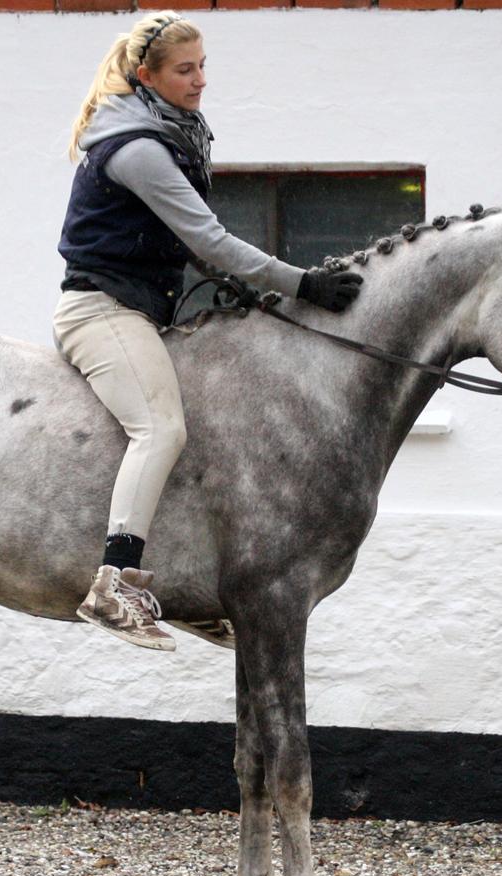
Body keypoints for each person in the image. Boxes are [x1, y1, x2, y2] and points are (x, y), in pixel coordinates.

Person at [54, 10, 362, 652]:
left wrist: (247, 287)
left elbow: (179, 241)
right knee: (160, 429)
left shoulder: (172, 130)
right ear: (147, 76)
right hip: (101, 314)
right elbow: (209, 239)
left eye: (202, 67)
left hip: (146, 311)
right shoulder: (138, 147)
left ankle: (183, 592)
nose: (199, 82)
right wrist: (300, 283)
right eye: (184, 70)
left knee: (202, 435)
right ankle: (113, 585)